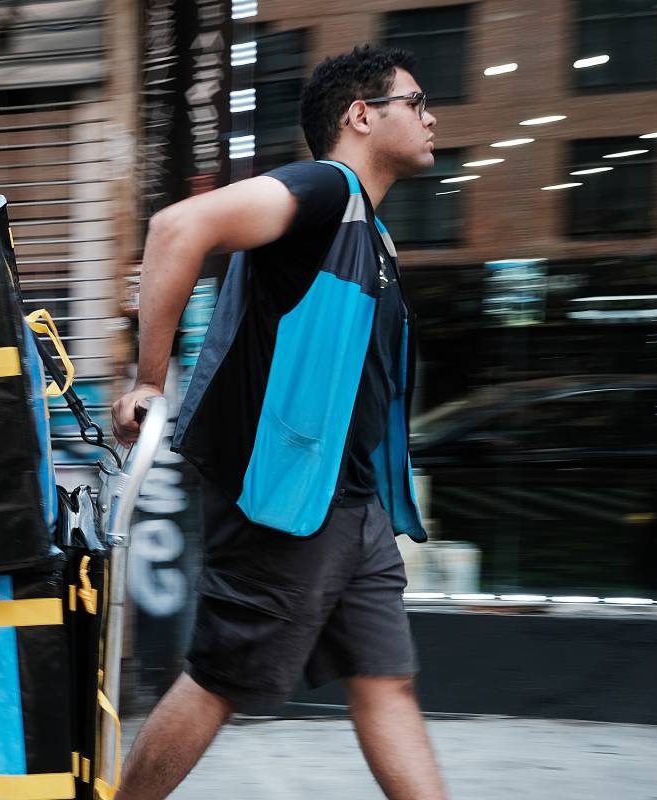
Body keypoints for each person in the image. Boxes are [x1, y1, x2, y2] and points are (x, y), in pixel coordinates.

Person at [110, 46, 447, 799]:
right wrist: (149, 382)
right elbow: (176, 228)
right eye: (416, 102)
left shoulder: (372, 234)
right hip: (286, 504)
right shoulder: (326, 189)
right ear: (361, 116)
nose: (432, 118)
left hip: (353, 506)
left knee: (384, 682)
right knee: (218, 681)